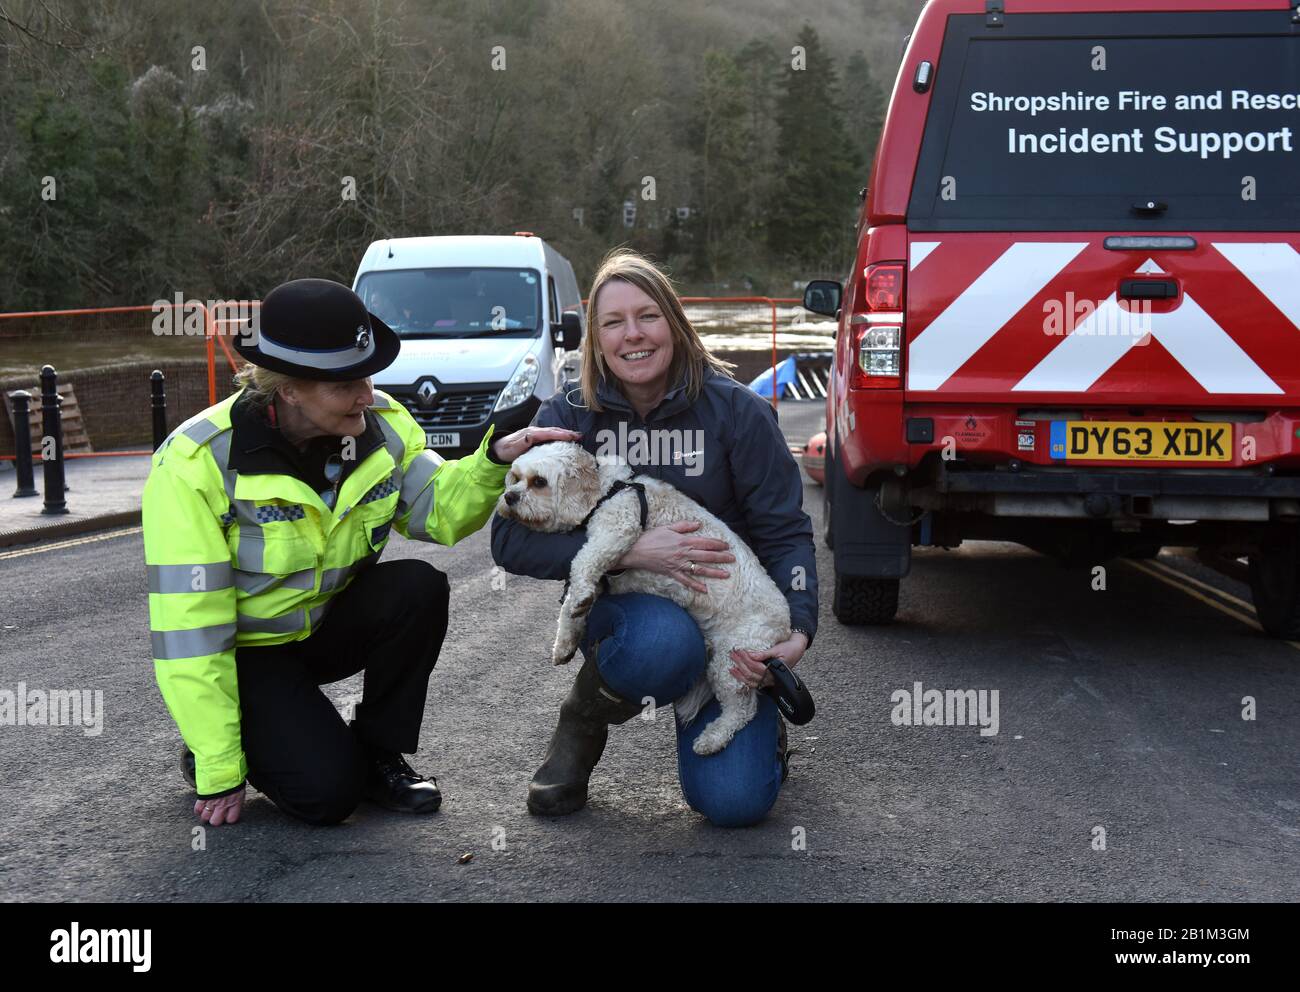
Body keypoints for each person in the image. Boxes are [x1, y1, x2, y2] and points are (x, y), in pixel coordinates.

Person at [143, 278, 577, 827]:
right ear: (288, 387)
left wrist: (492, 459)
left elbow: (437, 510)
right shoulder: (193, 464)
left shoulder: (382, 428)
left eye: (367, 374)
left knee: (418, 587)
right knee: (327, 797)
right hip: (247, 655)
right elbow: (191, 631)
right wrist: (219, 764)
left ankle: (378, 754)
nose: (367, 395)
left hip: (321, 631)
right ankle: (225, 741)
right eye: (346, 383)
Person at [491, 249, 818, 827]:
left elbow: (786, 531)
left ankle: (756, 722)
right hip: (634, 619)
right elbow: (508, 542)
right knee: (662, 643)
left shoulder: (738, 412)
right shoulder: (569, 418)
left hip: (727, 611)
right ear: (595, 338)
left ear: (675, 321)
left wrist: (795, 635)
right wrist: (633, 552)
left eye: (647, 316)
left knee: (735, 804)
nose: (632, 335)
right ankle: (581, 719)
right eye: (613, 322)